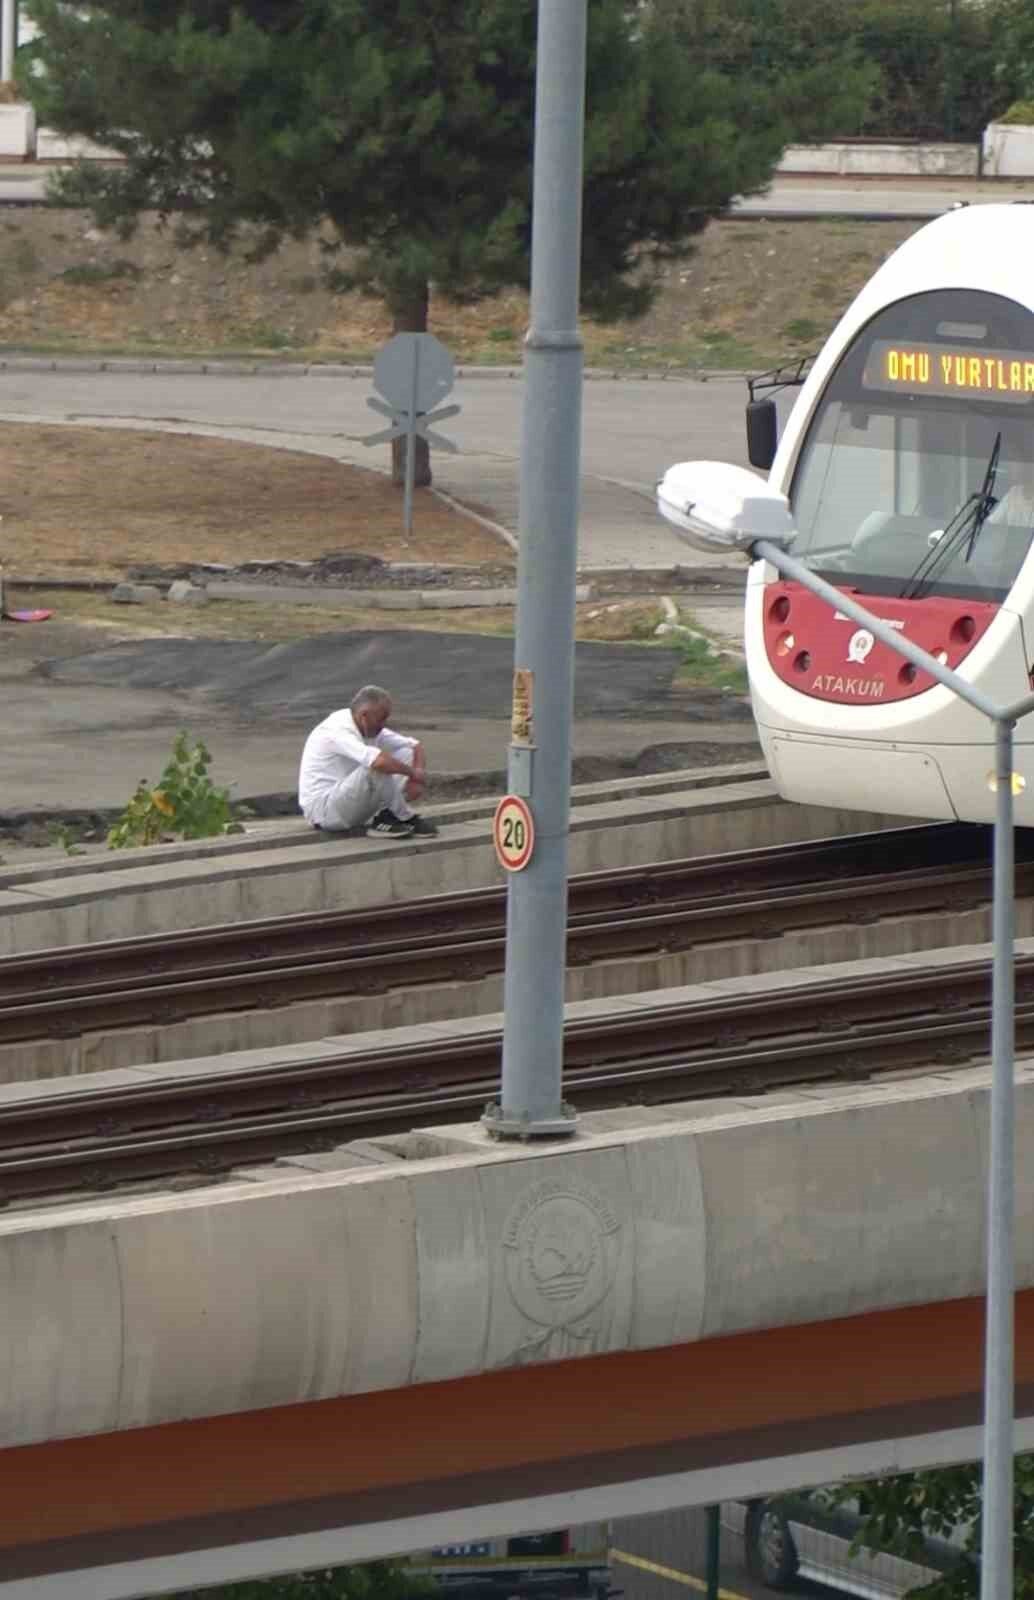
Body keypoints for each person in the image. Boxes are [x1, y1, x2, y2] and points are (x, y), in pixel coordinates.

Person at [297, 684, 438, 838]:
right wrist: (413, 773)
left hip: (349, 802)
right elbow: (378, 763)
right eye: (381, 719)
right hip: (325, 812)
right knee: (375, 767)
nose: (384, 725)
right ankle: (404, 816)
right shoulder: (336, 730)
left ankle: (386, 817)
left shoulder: (367, 725)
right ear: (364, 716)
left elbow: (415, 746)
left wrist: (417, 778)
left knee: (406, 753)